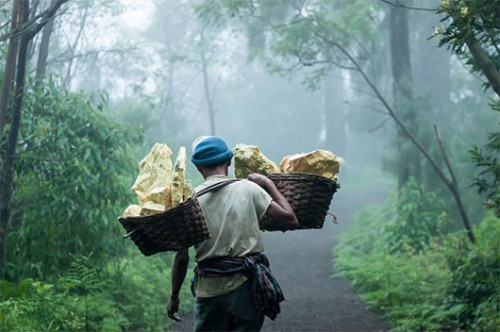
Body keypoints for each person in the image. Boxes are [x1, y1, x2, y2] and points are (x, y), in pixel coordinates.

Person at [167, 136, 299, 331]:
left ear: (198, 167)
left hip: (208, 291)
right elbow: (290, 219)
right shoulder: (248, 188)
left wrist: (174, 297)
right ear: (229, 161)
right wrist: (267, 183)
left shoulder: (188, 202)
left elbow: (181, 258)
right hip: (245, 287)